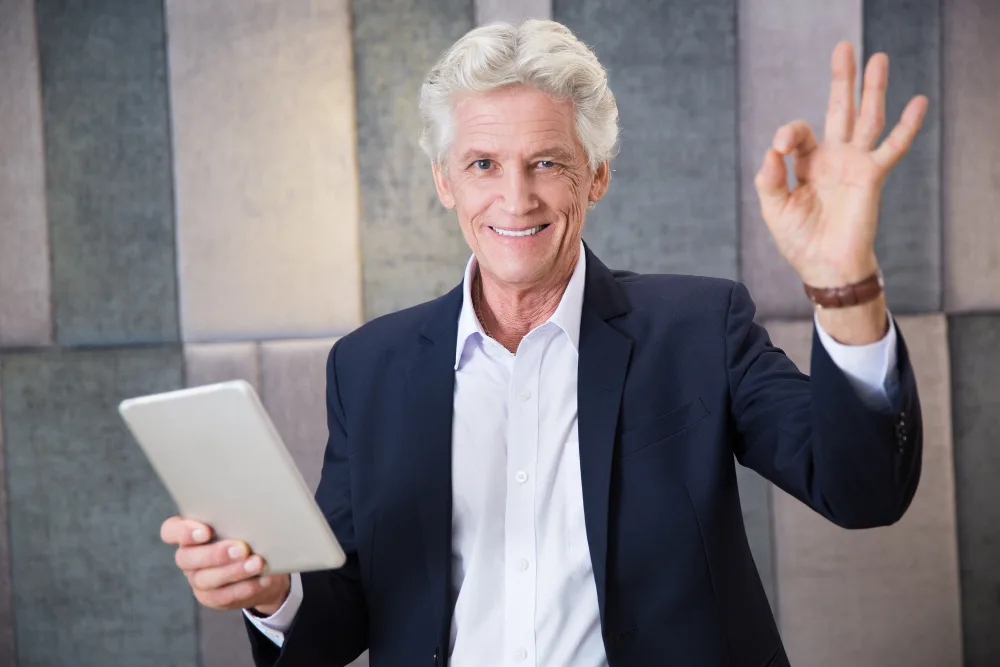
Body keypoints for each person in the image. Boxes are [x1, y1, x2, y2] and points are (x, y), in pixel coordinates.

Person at [160, 19, 927, 667]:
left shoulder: (699, 328)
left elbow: (861, 489)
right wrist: (271, 591)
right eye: (484, 164)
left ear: (595, 176)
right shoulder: (369, 367)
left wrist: (844, 282)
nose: (515, 198)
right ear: (445, 182)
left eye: (547, 163)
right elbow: (349, 609)